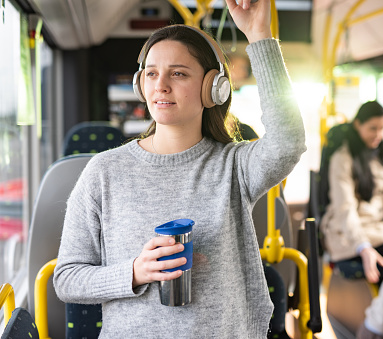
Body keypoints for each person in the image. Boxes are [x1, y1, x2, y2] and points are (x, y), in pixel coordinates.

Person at [53, 0, 306, 337]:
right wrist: (135, 272)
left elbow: (288, 141)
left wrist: (258, 34)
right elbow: (67, 279)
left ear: (212, 88)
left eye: (179, 73)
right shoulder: (104, 171)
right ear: (140, 85)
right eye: (152, 73)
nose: (161, 84)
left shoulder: (233, 166)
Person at [320, 101, 383, 284]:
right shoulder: (342, 159)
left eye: (382, 128)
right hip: (348, 236)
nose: (378, 135)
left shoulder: (376, 156)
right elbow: (345, 209)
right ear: (357, 124)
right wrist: (363, 246)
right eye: (372, 128)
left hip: (378, 232)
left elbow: (378, 200)